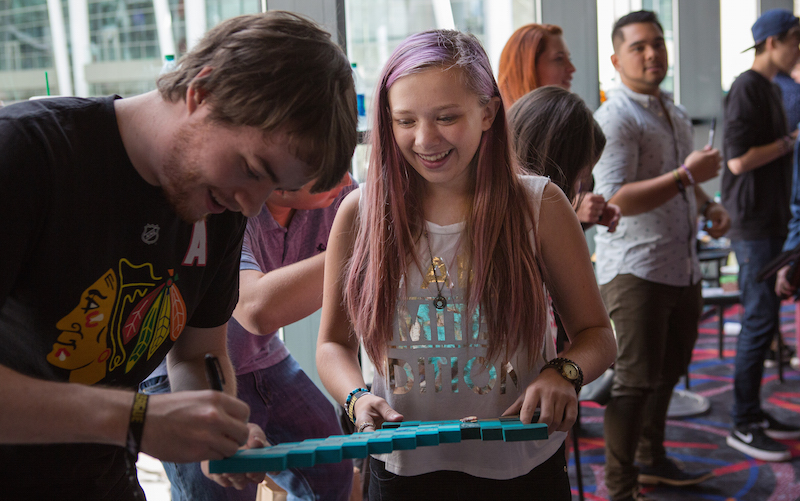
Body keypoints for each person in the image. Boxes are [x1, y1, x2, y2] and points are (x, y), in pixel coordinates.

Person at [0, 11, 356, 499]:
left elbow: (197, 352)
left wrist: (214, 422)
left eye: (275, 187)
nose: (251, 204)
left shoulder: (219, 206)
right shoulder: (27, 154)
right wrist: (135, 419)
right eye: (253, 169)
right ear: (202, 92)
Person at [316, 29, 617, 501]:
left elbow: (597, 334)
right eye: (405, 120)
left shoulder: (539, 205)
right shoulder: (361, 213)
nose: (425, 139)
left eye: (447, 117)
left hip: (521, 463)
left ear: (488, 112)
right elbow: (333, 344)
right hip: (403, 465)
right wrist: (356, 397)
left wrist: (564, 372)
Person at [141, 173, 357, 500]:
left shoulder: (341, 197)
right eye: (329, 172)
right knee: (226, 482)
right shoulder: (230, 209)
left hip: (262, 354)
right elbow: (256, 309)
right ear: (278, 178)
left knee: (333, 464)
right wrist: (355, 252)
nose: (345, 180)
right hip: (177, 369)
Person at [592, 10, 730, 501]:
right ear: (616, 60)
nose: (652, 53)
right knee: (633, 382)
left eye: (658, 43)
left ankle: (650, 460)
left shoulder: (672, 110)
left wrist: (708, 204)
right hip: (637, 267)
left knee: (668, 372)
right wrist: (687, 177)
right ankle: (620, 486)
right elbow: (614, 199)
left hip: (681, 263)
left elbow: (679, 178)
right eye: (638, 46)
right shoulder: (616, 117)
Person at [722, 8, 800, 463]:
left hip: (771, 220)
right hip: (752, 223)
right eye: (795, 41)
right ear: (772, 42)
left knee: (766, 319)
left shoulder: (769, 87)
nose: (798, 50)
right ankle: (742, 423)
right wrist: (792, 141)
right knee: (757, 320)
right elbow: (737, 161)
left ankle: (752, 411)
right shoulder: (747, 87)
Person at [499, 24, 613, 235]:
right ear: (527, 66)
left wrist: (586, 213)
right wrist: (568, 209)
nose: (571, 68)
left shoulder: (569, 126)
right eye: (559, 59)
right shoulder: (498, 133)